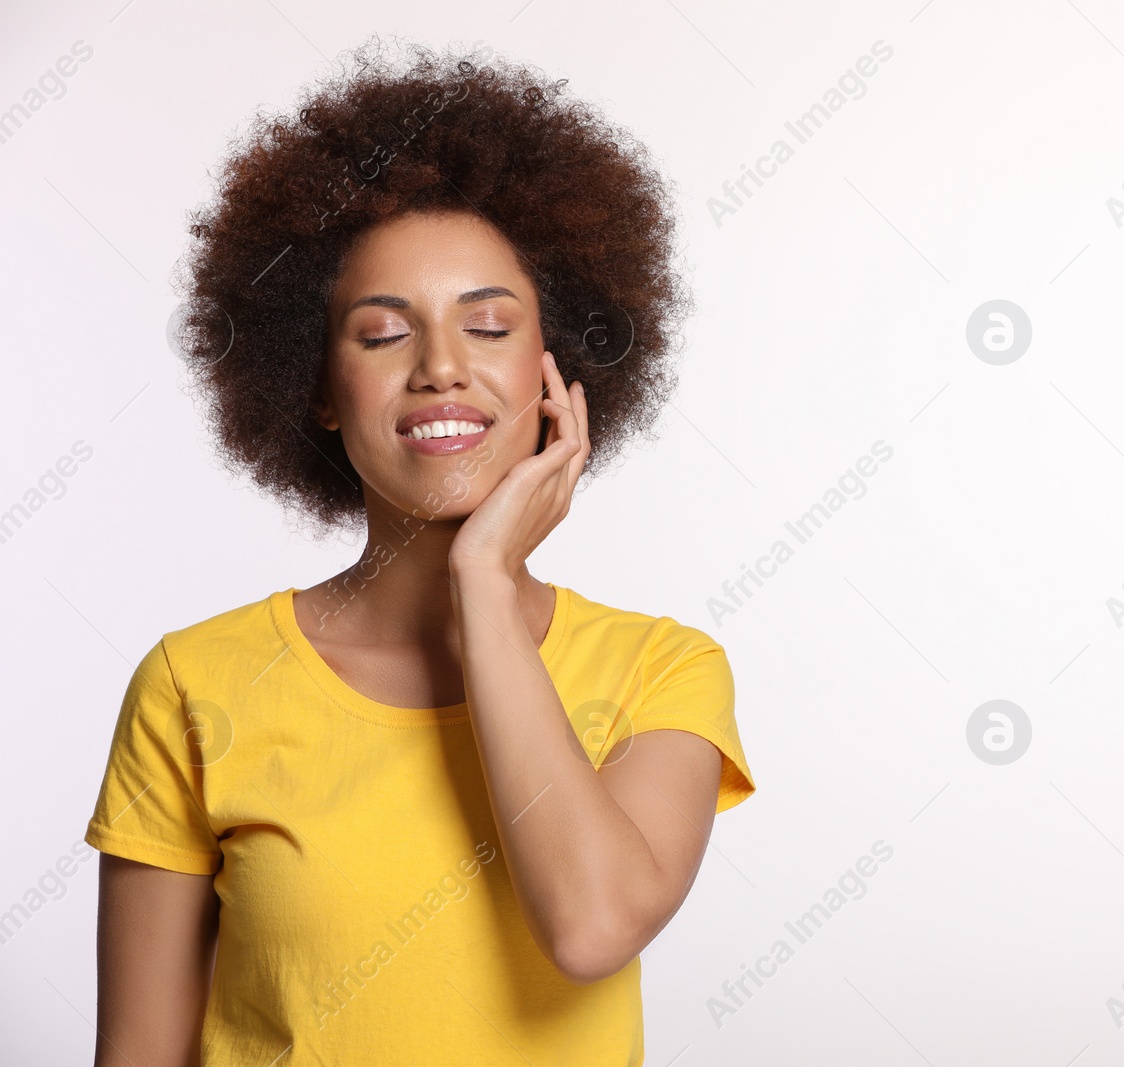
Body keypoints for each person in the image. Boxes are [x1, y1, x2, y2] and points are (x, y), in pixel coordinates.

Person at [84, 37, 754, 1066]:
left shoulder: (662, 671)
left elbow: (592, 925)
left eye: (488, 326)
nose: (442, 367)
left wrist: (482, 581)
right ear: (314, 384)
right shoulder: (195, 684)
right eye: (382, 333)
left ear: (551, 371)